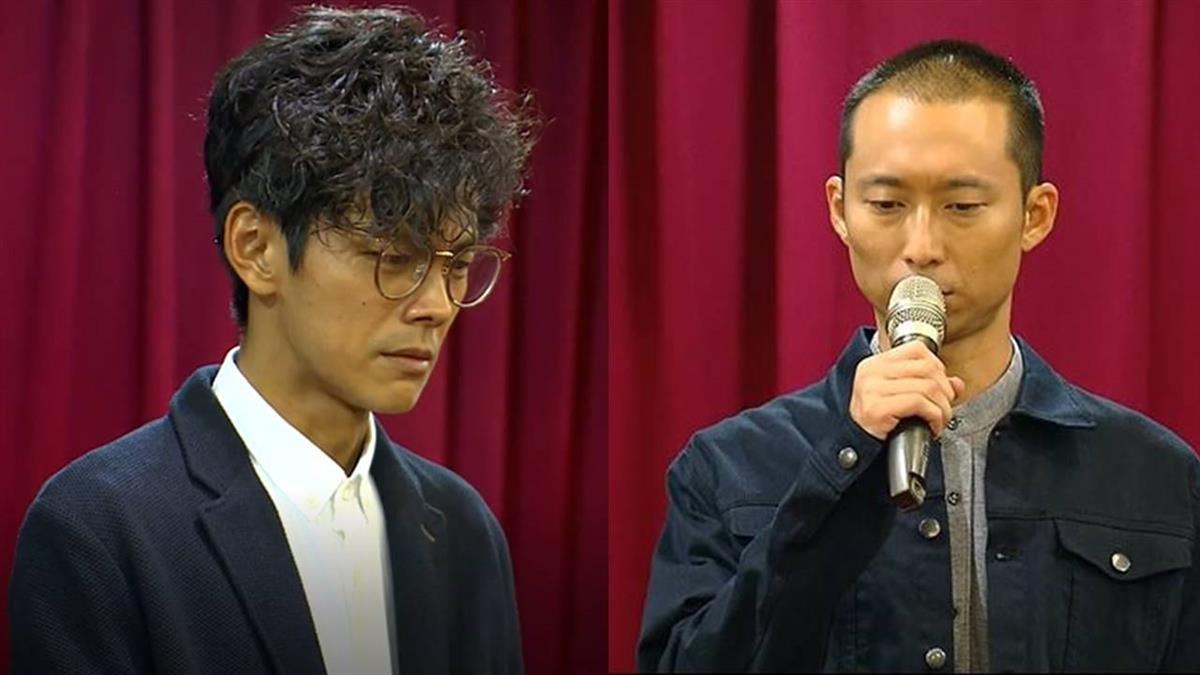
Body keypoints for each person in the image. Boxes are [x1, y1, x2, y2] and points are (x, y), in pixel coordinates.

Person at [638, 39, 1199, 672]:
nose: (921, 245)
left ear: (1034, 215)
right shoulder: (727, 468)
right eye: (886, 204)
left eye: (962, 206)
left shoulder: (1154, 475)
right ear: (839, 210)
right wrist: (844, 462)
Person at [9, 7, 536, 674]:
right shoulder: (99, 529)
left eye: (456, 265)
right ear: (256, 247)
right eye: (394, 258)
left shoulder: (465, 530)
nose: (437, 306)